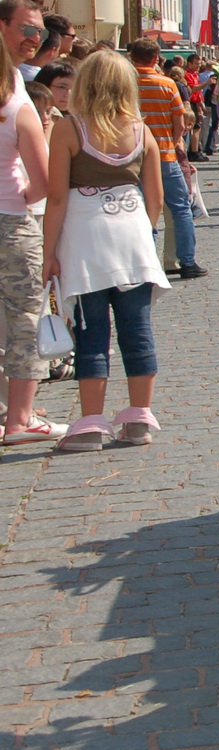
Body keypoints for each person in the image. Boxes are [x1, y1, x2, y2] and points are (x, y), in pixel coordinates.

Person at [41, 51, 172, 451]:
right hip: (131, 235)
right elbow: (156, 197)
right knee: (137, 331)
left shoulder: (68, 129)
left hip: (84, 238)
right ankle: (138, 420)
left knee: (90, 331)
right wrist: (140, 233)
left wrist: (48, 252)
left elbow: (57, 198)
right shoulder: (140, 130)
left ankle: (92, 424)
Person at [0, 35, 62, 444]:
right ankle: (20, 419)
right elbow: (43, 181)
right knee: (25, 318)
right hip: (11, 221)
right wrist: (21, 196)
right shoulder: (18, 110)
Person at [129, 40, 204, 278]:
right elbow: (180, 124)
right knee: (181, 209)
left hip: (134, 158)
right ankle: (187, 262)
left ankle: (146, 263)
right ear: (156, 59)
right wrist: (169, 145)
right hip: (164, 154)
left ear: (132, 57)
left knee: (141, 210)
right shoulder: (167, 84)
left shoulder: (125, 84)